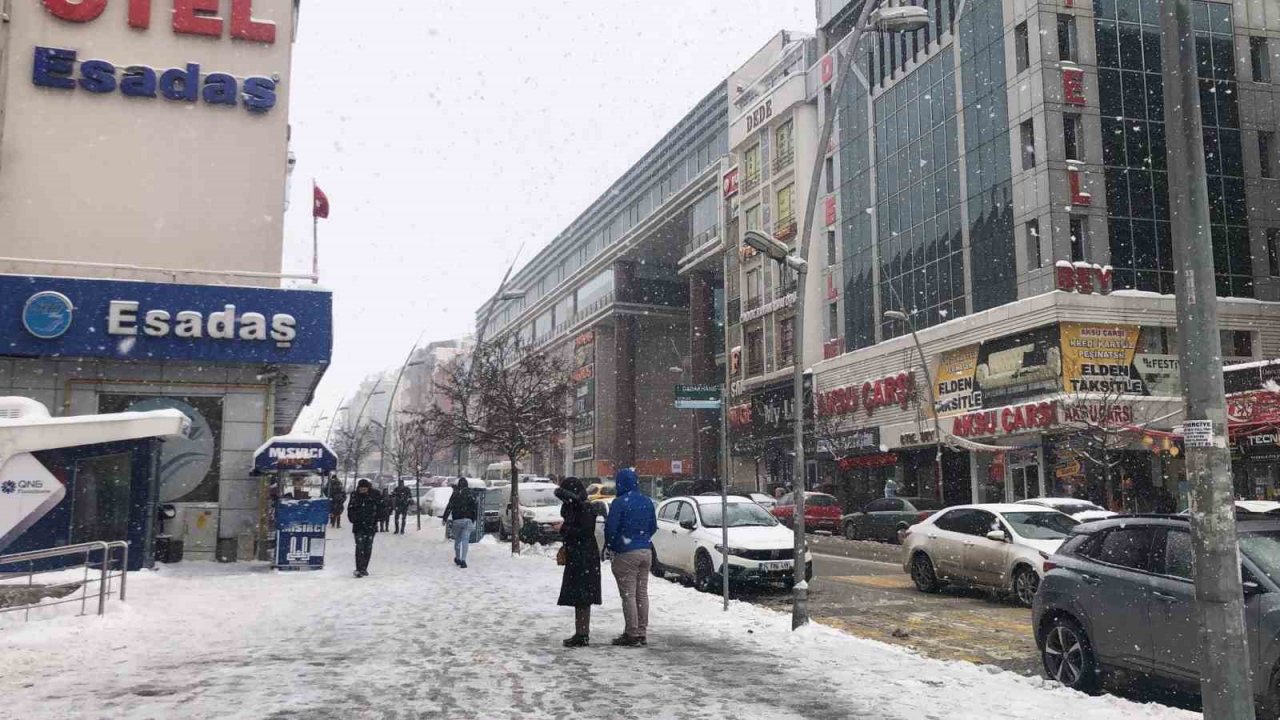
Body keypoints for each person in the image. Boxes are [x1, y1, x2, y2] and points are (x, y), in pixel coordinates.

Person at [603, 468, 657, 647]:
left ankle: (632, 633)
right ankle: (642, 631)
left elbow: (611, 529)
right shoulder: (647, 501)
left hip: (626, 552)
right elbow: (653, 526)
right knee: (642, 593)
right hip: (646, 551)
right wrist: (642, 538)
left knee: (629, 595)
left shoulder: (619, 503)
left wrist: (612, 545)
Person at [555, 477, 602, 648]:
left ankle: (582, 634)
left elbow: (583, 531)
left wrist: (563, 529)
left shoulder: (584, 508)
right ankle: (581, 632)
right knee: (580, 597)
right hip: (581, 556)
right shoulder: (577, 507)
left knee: (582, 596)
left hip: (583, 558)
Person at [347, 479, 383, 578]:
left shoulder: (375, 495)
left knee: (368, 547)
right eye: (361, 489)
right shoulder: (355, 496)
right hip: (358, 526)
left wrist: (376, 518)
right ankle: (359, 568)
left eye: (364, 489)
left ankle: (364, 568)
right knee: (359, 546)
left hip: (370, 526)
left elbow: (381, 508)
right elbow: (350, 509)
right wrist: (353, 518)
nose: (362, 491)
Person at [442, 477, 479, 568]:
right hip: (468, 520)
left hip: (457, 520)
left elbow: (449, 506)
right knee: (465, 540)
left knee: (458, 540)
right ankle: (463, 560)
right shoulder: (472, 494)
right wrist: (473, 519)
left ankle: (458, 558)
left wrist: (444, 518)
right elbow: (475, 507)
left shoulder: (455, 494)